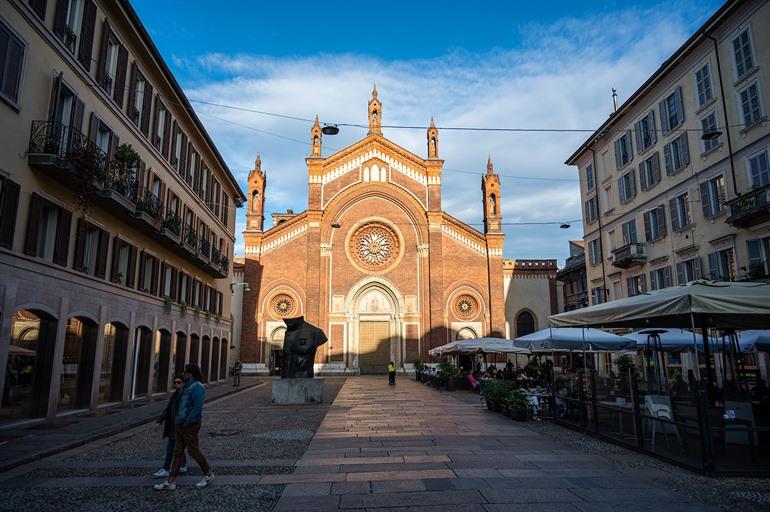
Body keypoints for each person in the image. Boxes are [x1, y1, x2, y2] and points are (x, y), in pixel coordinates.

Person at [154, 364, 214, 491]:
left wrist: (188, 421)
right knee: (177, 452)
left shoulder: (197, 387)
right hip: (180, 424)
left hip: (189, 425)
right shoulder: (186, 386)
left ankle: (209, 474)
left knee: (193, 451)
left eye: (185, 372)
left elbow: (197, 407)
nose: (183, 374)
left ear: (190, 374)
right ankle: (171, 481)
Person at [153, 376, 188, 478]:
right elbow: (167, 410)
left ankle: (166, 468)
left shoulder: (185, 396)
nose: (176, 384)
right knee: (177, 447)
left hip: (180, 426)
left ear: (183, 384)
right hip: (173, 426)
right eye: (175, 382)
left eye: (179, 382)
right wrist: (159, 421)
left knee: (171, 448)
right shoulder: (175, 395)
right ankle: (182, 465)